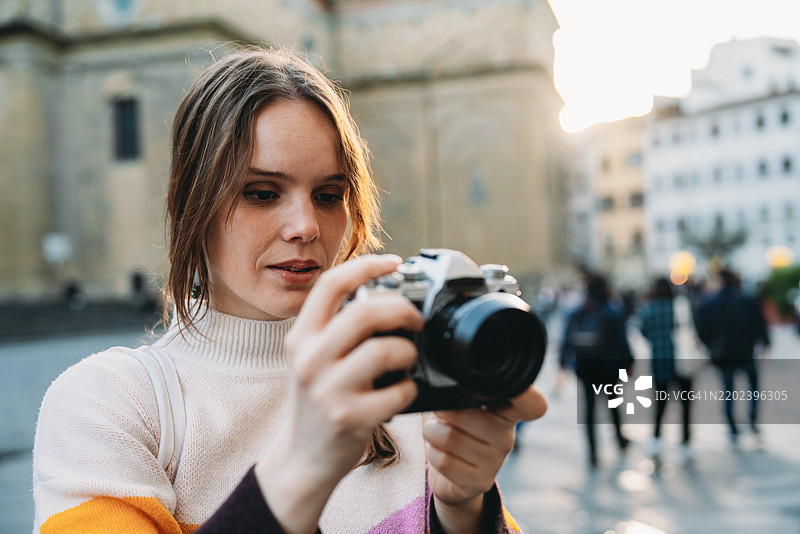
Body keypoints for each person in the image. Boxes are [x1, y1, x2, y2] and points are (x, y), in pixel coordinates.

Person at [31, 47, 547, 534]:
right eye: (261, 193)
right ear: (192, 202)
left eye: (329, 195)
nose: (306, 226)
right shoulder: (110, 407)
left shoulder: (408, 381)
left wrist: (464, 511)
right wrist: (303, 465)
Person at [559, 274, 632, 468]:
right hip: (608, 367)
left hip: (585, 366)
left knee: (589, 409)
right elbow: (621, 339)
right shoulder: (612, 309)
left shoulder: (580, 309)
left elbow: (568, 336)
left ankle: (592, 451)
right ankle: (620, 440)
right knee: (614, 404)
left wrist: (563, 361)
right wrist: (628, 363)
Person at [695, 269, 770, 444]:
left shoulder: (711, 302)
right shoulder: (747, 300)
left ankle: (732, 426)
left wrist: (710, 344)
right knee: (752, 388)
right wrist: (765, 342)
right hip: (745, 350)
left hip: (724, 353)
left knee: (728, 390)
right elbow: (759, 323)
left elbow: (702, 326)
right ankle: (751, 420)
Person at [637, 277, 692, 455]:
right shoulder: (678, 308)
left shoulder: (650, 309)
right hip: (681, 359)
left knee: (660, 401)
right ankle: (685, 437)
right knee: (685, 402)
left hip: (660, 359)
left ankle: (657, 436)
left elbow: (643, 330)